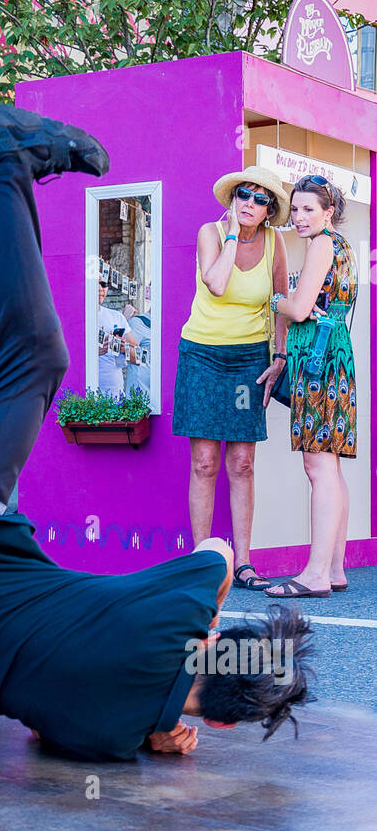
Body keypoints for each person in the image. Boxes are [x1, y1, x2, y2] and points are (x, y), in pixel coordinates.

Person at [0, 107, 313, 761]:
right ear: (223, 723)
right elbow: (42, 728)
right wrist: (152, 720)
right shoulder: (105, 736)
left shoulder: (176, 617)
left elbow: (215, 552)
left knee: (39, 358)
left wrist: (199, 637)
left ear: (209, 641)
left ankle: (9, 157)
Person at [173, 166, 290, 592]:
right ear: (232, 198)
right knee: (204, 462)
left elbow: (278, 301)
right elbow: (217, 284)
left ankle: (244, 563)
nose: (250, 203)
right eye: (244, 194)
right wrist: (231, 237)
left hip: (246, 363)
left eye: (261, 200)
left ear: (269, 211)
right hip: (202, 356)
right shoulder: (210, 232)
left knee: (241, 462)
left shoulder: (275, 242)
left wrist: (278, 356)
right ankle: (204, 561)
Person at [265, 175, 357, 600]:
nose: (299, 217)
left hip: (318, 363)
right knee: (330, 468)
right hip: (332, 358)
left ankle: (316, 573)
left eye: (308, 210)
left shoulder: (322, 244)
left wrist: (276, 299)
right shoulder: (341, 246)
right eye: (295, 209)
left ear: (328, 211)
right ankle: (333, 568)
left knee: (318, 468)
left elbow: (299, 307)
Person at [98, 277, 139, 397]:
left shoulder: (116, 317)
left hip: (114, 391)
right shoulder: (76, 317)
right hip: (82, 393)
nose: (100, 288)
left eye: (104, 284)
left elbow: (138, 357)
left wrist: (123, 348)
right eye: (95, 283)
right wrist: (94, 352)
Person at [123, 303, 151, 398]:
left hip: (155, 392)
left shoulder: (164, 325)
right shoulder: (138, 322)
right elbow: (126, 351)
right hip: (139, 394)